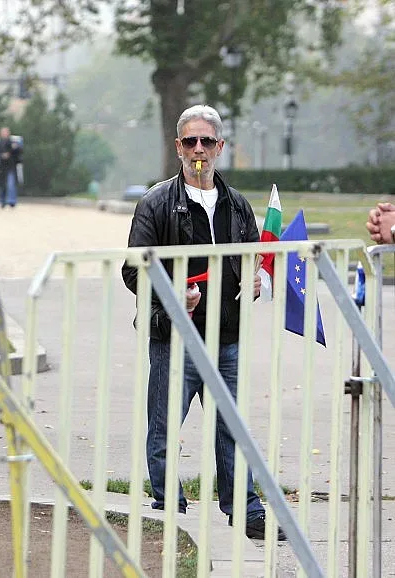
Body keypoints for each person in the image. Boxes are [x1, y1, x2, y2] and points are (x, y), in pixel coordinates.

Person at [121, 105, 285, 541]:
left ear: (220, 148)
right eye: (190, 142)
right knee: (163, 426)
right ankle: (167, 511)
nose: (198, 150)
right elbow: (133, 271)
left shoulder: (237, 205)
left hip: (225, 336)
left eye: (206, 142)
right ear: (178, 147)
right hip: (174, 335)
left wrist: (255, 284)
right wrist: (174, 297)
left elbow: (254, 262)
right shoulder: (156, 202)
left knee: (231, 424)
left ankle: (246, 509)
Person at [0, 126, 23, 208]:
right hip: (2, 167)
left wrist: (15, 148)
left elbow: (19, 152)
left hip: (11, 166)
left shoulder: (13, 142)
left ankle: (11, 201)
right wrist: (2, 155)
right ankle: (2, 201)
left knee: (11, 184)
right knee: (2, 185)